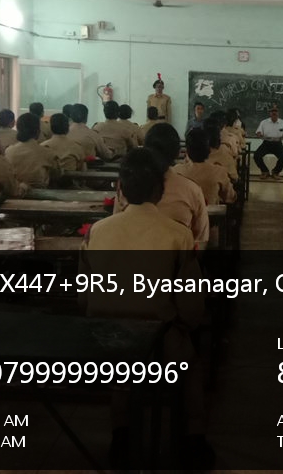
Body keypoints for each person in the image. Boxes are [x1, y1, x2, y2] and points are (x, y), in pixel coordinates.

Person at [80, 147, 211, 469]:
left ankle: (120, 432)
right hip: (158, 339)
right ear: (160, 190)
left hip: (105, 336)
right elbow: (191, 305)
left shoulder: (98, 230)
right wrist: (188, 326)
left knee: (122, 369)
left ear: (121, 190)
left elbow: (84, 296)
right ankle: (194, 436)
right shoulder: (178, 235)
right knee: (191, 366)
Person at [174, 129, 236, 205]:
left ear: (187, 151)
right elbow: (230, 197)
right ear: (208, 150)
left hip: (183, 211)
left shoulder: (176, 171)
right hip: (211, 212)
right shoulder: (218, 171)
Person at [5, 112, 62, 187]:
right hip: (42, 192)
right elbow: (57, 175)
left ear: (18, 130)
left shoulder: (9, 151)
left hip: (16, 192)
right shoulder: (47, 153)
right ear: (38, 131)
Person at [254, 105, 283, 179]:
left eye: (276, 111)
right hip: (267, 143)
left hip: (278, 144)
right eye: (272, 111)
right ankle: (265, 171)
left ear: (278, 113)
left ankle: (276, 172)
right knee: (256, 155)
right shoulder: (264, 122)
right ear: (270, 113)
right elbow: (258, 132)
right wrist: (259, 134)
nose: (274, 113)